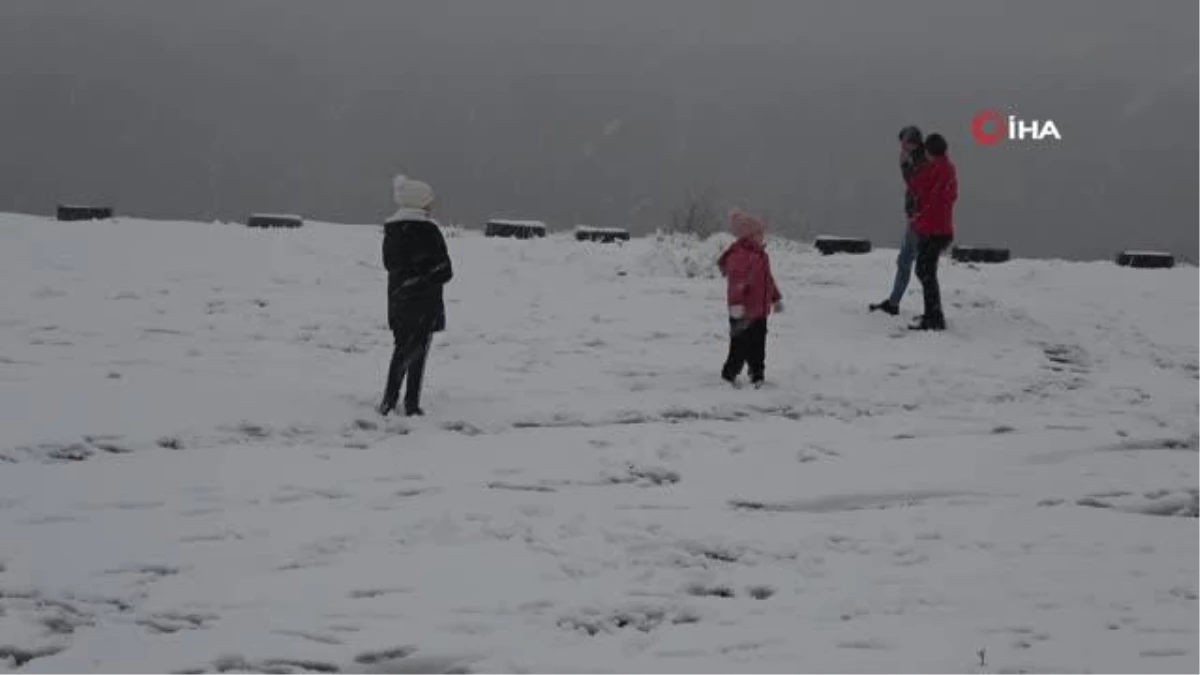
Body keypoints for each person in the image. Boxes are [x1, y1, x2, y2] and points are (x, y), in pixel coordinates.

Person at [376, 175, 454, 416]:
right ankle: (404, 404)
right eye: (429, 201)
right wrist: (426, 277)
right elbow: (445, 271)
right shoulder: (428, 232)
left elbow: (392, 266)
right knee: (415, 354)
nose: (432, 205)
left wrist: (409, 282)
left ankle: (393, 401)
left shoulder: (393, 232)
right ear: (420, 203)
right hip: (424, 304)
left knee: (403, 350)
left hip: (399, 301)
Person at [717, 209, 783, 388]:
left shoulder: (761, 256)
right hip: (743, 312)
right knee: (739, 346)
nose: (762, 237)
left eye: (762, 233)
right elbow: (736, 282)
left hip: (760, 312)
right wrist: (736, 304)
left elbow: (768, 280)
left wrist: (775, 298)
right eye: (759, 234)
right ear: (749, 236)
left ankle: (757, 374)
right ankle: (729, 374)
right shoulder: (740, 256)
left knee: (758, 346)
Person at [870, 125, 928, 315]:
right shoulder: (920, 157)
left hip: (919, 218)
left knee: (910, 262)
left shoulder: (921, 160)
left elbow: (916, 185)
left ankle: (898, 303)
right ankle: (896, 302)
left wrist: (904, 165)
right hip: (916, 217)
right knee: (909, 261)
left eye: (903, 143)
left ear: (912, 143)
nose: (901, 147)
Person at [906, 133, 957, 331]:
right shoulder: (948, 168)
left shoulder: (934, 168)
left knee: (924, 271)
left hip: (932, 229)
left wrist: (908, 165)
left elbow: (916, 185)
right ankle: (933, 314)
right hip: (942, 228)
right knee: (928, 271)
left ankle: (934, 318)